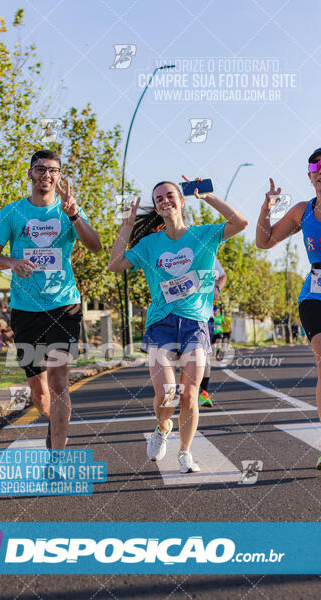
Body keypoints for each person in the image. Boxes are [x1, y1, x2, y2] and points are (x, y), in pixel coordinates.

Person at [109, 178, 248, 473]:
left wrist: (208, 196)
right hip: (161, 323)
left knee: (190, 392)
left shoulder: (204, 235)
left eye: (170, 195)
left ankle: (185, 452)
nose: (164, 201)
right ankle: (162, 428)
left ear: (182, 200)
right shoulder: (149, 244)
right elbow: (115, 263)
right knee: (167, 392)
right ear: (157, 207)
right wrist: (127, 225)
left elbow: (240, 222)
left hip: (196, 322)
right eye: (158, 198)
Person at [0, 150, 101, 449]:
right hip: (25, 309)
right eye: (40, 169)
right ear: (30, 174)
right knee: (39, 393)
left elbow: (96, 247)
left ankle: (58, 455)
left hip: (64, 305)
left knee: (59, 383)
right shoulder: (13, 212)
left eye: (53, 170)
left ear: (60, 176)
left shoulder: (68, 210)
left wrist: (74, 214)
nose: (46, 175)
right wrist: (11, 262)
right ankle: (55, 425)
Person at [256, 147, 321, 469]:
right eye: (316, 165)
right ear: (310, 176)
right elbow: (264, 242)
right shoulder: (301, 211)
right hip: (315, 292)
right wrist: (266, 209)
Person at [199, 259, 227, 408]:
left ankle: (203, 392)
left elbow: (222, 275)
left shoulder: (207, 252)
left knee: (204, 356)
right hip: (172, 315)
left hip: (203, 316)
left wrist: (217, 289)